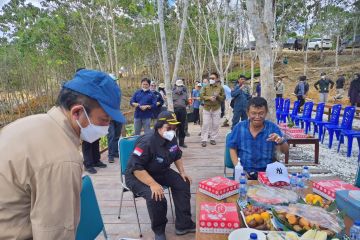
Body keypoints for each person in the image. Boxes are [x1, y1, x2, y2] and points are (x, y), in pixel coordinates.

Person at [0, 69, 125, 239]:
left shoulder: (27, 123)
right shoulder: (63, 160)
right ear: (77, 112)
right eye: (104, 120)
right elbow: (54, 235)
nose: (107, 127)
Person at [125, 111, 195, 240]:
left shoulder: (171, 137)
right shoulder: (146, 142)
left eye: (174, 127)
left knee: (183, 182)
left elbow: (177, 154)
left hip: (160, 170)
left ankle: (183, 224)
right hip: (138, 175)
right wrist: (152, 184)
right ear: (159, 126)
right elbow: (136, 167)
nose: (172, 130)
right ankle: (159, 231)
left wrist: (182, 172)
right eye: (169, 127)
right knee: (156, 196)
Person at [227, 97, 289, 180]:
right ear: (248, 113)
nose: (257, 117)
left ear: (266, 112)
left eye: (261, 113)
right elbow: (232, 149)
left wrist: (281, 141)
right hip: (244, 172)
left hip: (267, 174)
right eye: (253, 113)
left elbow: (285, 151)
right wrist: (239, 169)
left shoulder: (272, 128)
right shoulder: (239, 127)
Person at [200, 72, 225, 147]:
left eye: (213, 78)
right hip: (207, 108)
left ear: (217, 79)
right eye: (210, 78)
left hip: (216, 108)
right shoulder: (205, 87)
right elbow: (201, 96)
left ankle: (213, 138)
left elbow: (223, 97)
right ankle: (204, 139)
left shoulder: (220, 87)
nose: (211, 79)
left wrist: (218, 97)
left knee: (216, 124)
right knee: (205, 124)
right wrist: (209, 98)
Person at [107, 73, 124, 164]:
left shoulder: (117, 89)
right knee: (111, 135)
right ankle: (110, 155)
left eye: (115, 81)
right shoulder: (104, 91)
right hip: (109, 116)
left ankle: (115, 152)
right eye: (112, 81)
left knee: (117, 135)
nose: (114, 82)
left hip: (117, 115)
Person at [172, 79, 189, 148]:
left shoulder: (185, 94)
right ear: (175, 86)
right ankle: (174, 142)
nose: (180, 87)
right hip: (174, 111)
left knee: (182, 127)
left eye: (181, 86)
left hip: (183, 111)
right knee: (174, 127)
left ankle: (182, 142)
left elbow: (187, 102)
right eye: (178, 86)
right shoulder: (172, 93)